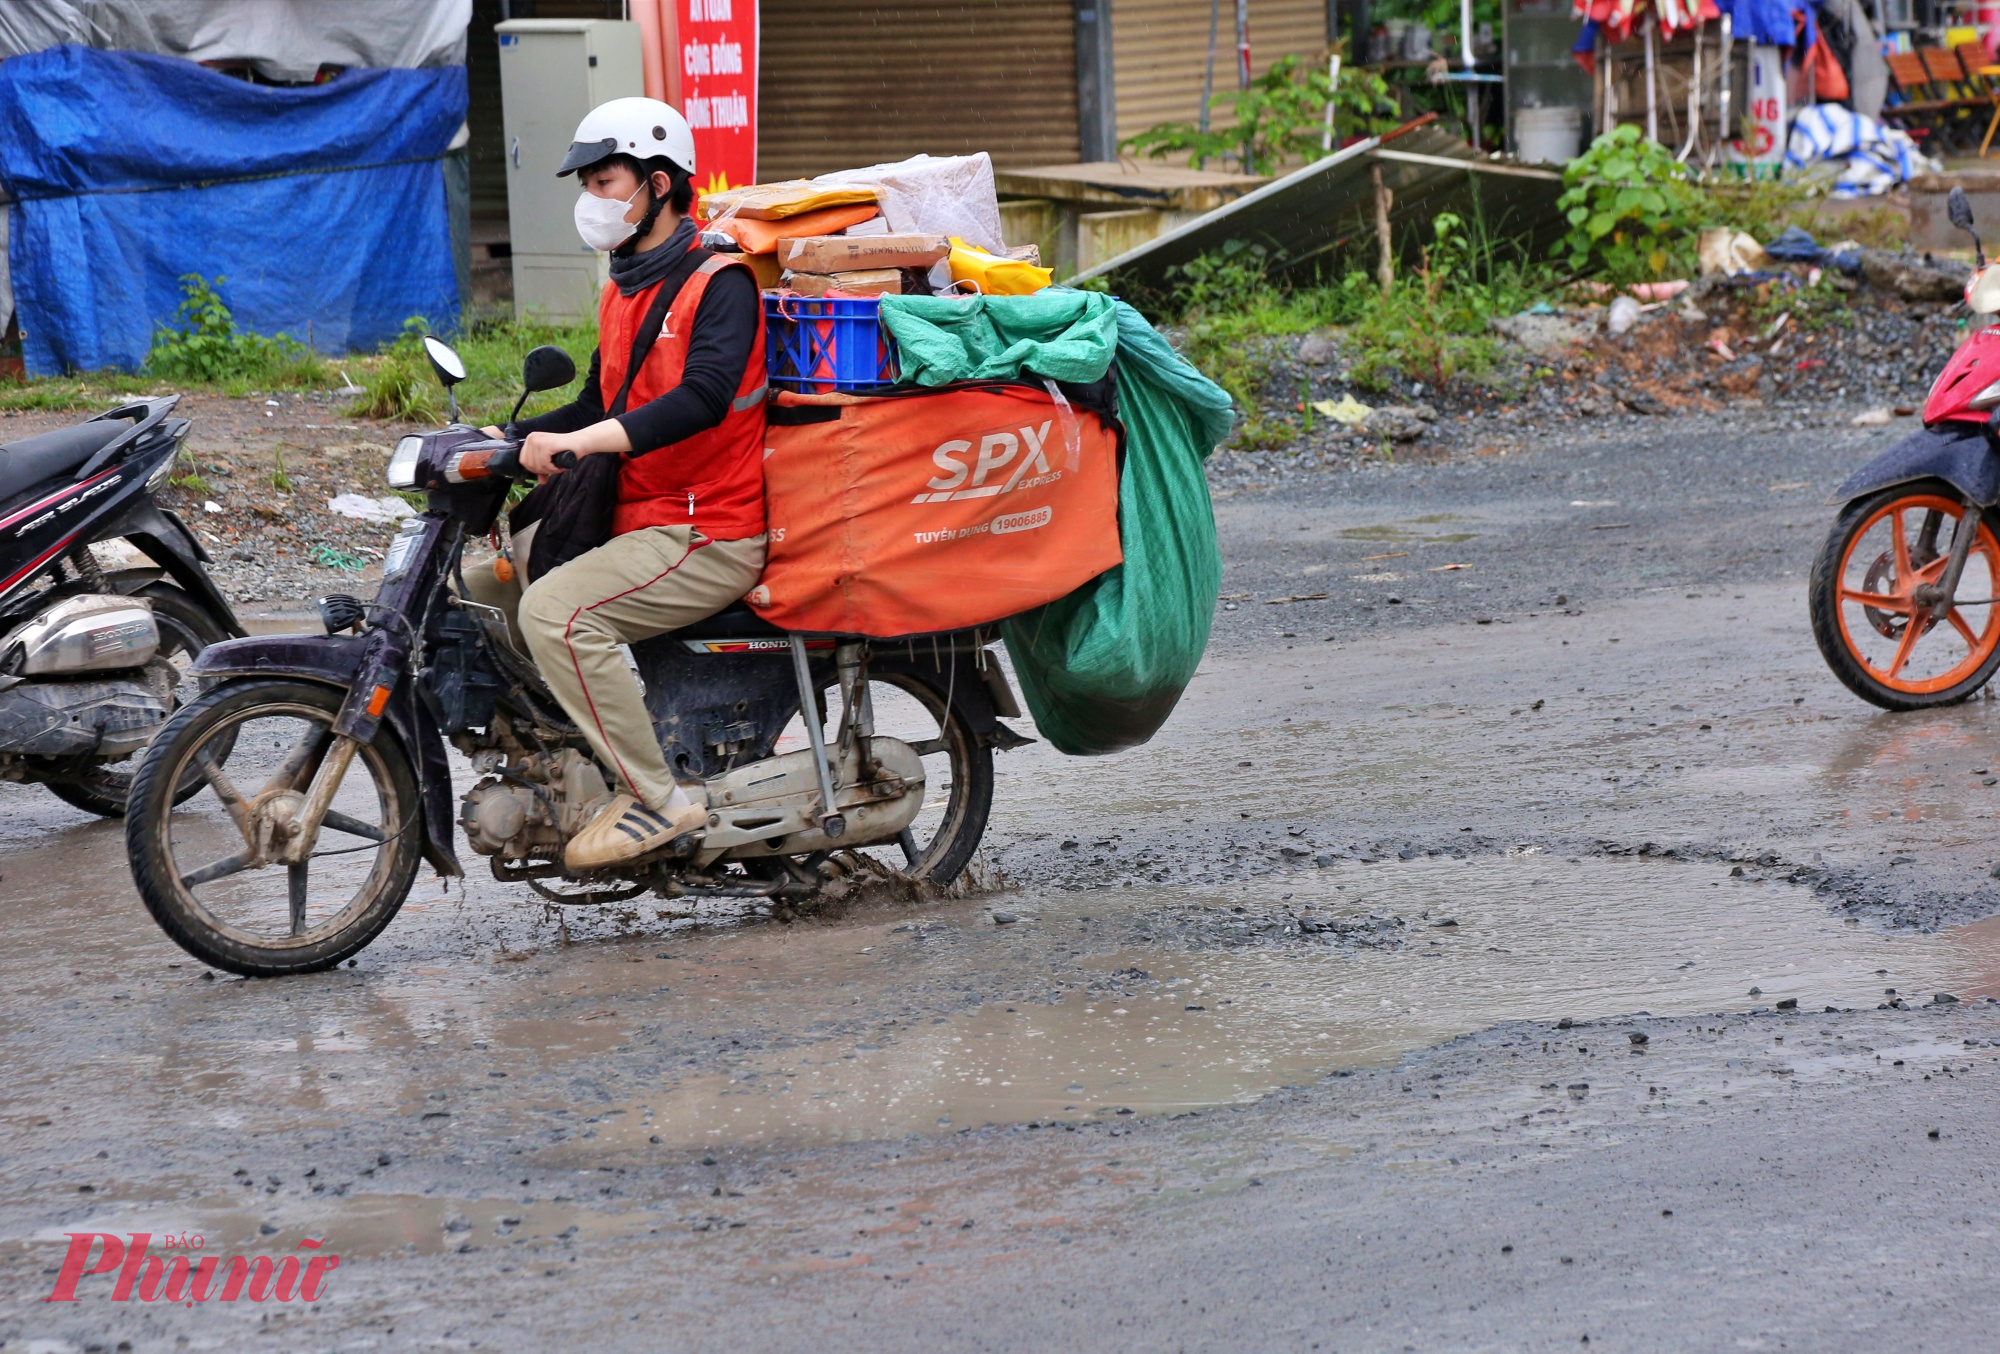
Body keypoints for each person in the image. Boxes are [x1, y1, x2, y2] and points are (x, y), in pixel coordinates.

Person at [483, 97, 767, 872]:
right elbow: (601, 403)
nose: (591, 200)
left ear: (660, 184)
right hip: (640, 518)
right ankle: (566, 756)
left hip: (706, 528)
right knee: (481, 585)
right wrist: (504, 436)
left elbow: (702, 398)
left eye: (604, 182)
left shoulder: (721, 283)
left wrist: (579, 444)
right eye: (588, 185)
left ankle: (657, 799)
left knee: (556, 615)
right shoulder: (625, 286)